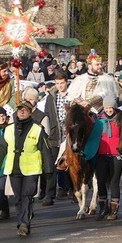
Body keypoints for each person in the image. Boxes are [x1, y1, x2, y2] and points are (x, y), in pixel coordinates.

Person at [0, 101, 54, 237]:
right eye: (19, 109)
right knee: (18, 198)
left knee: (27, 196)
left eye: (25, 110)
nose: (22, 112)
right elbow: (1, 148)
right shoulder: (9, 129)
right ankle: (22, 221)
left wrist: (49, 169)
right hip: (13, 169)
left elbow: (45, 150)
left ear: (30, 112)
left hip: (31, 170)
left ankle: (24, 223)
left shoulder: (37, 129)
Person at [94, 96, 122, 220]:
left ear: (114, 108)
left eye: (111, 107)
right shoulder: (99, 121)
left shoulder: (120, 120)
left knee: (114, 182)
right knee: (101, 181)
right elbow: (93, 138)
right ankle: (103, 207)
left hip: (116, 155)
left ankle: (114, 209)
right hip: (101, 155)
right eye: (106, 107)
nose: (108, 110)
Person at [43, 73, 70, 203]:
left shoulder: (72, 96)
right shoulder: (51, 97)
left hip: (69, 134)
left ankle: (69, 189)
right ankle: (50, 194)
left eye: (62, 83)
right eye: (58, 83)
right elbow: (47, 115)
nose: (60, 86)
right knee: (52, 164)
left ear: (66, 82)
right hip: (55, 134)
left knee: (70, 163)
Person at [68, 51, 119, 116]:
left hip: (101, 113)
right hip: (82, 112)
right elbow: (73, 95)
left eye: (100, 64)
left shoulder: (107, 79)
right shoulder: (80, 79)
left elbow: (107, 94)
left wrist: (89, 102)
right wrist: (81, 102)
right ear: (89, 66)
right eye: (97, 65)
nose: (100, 66)